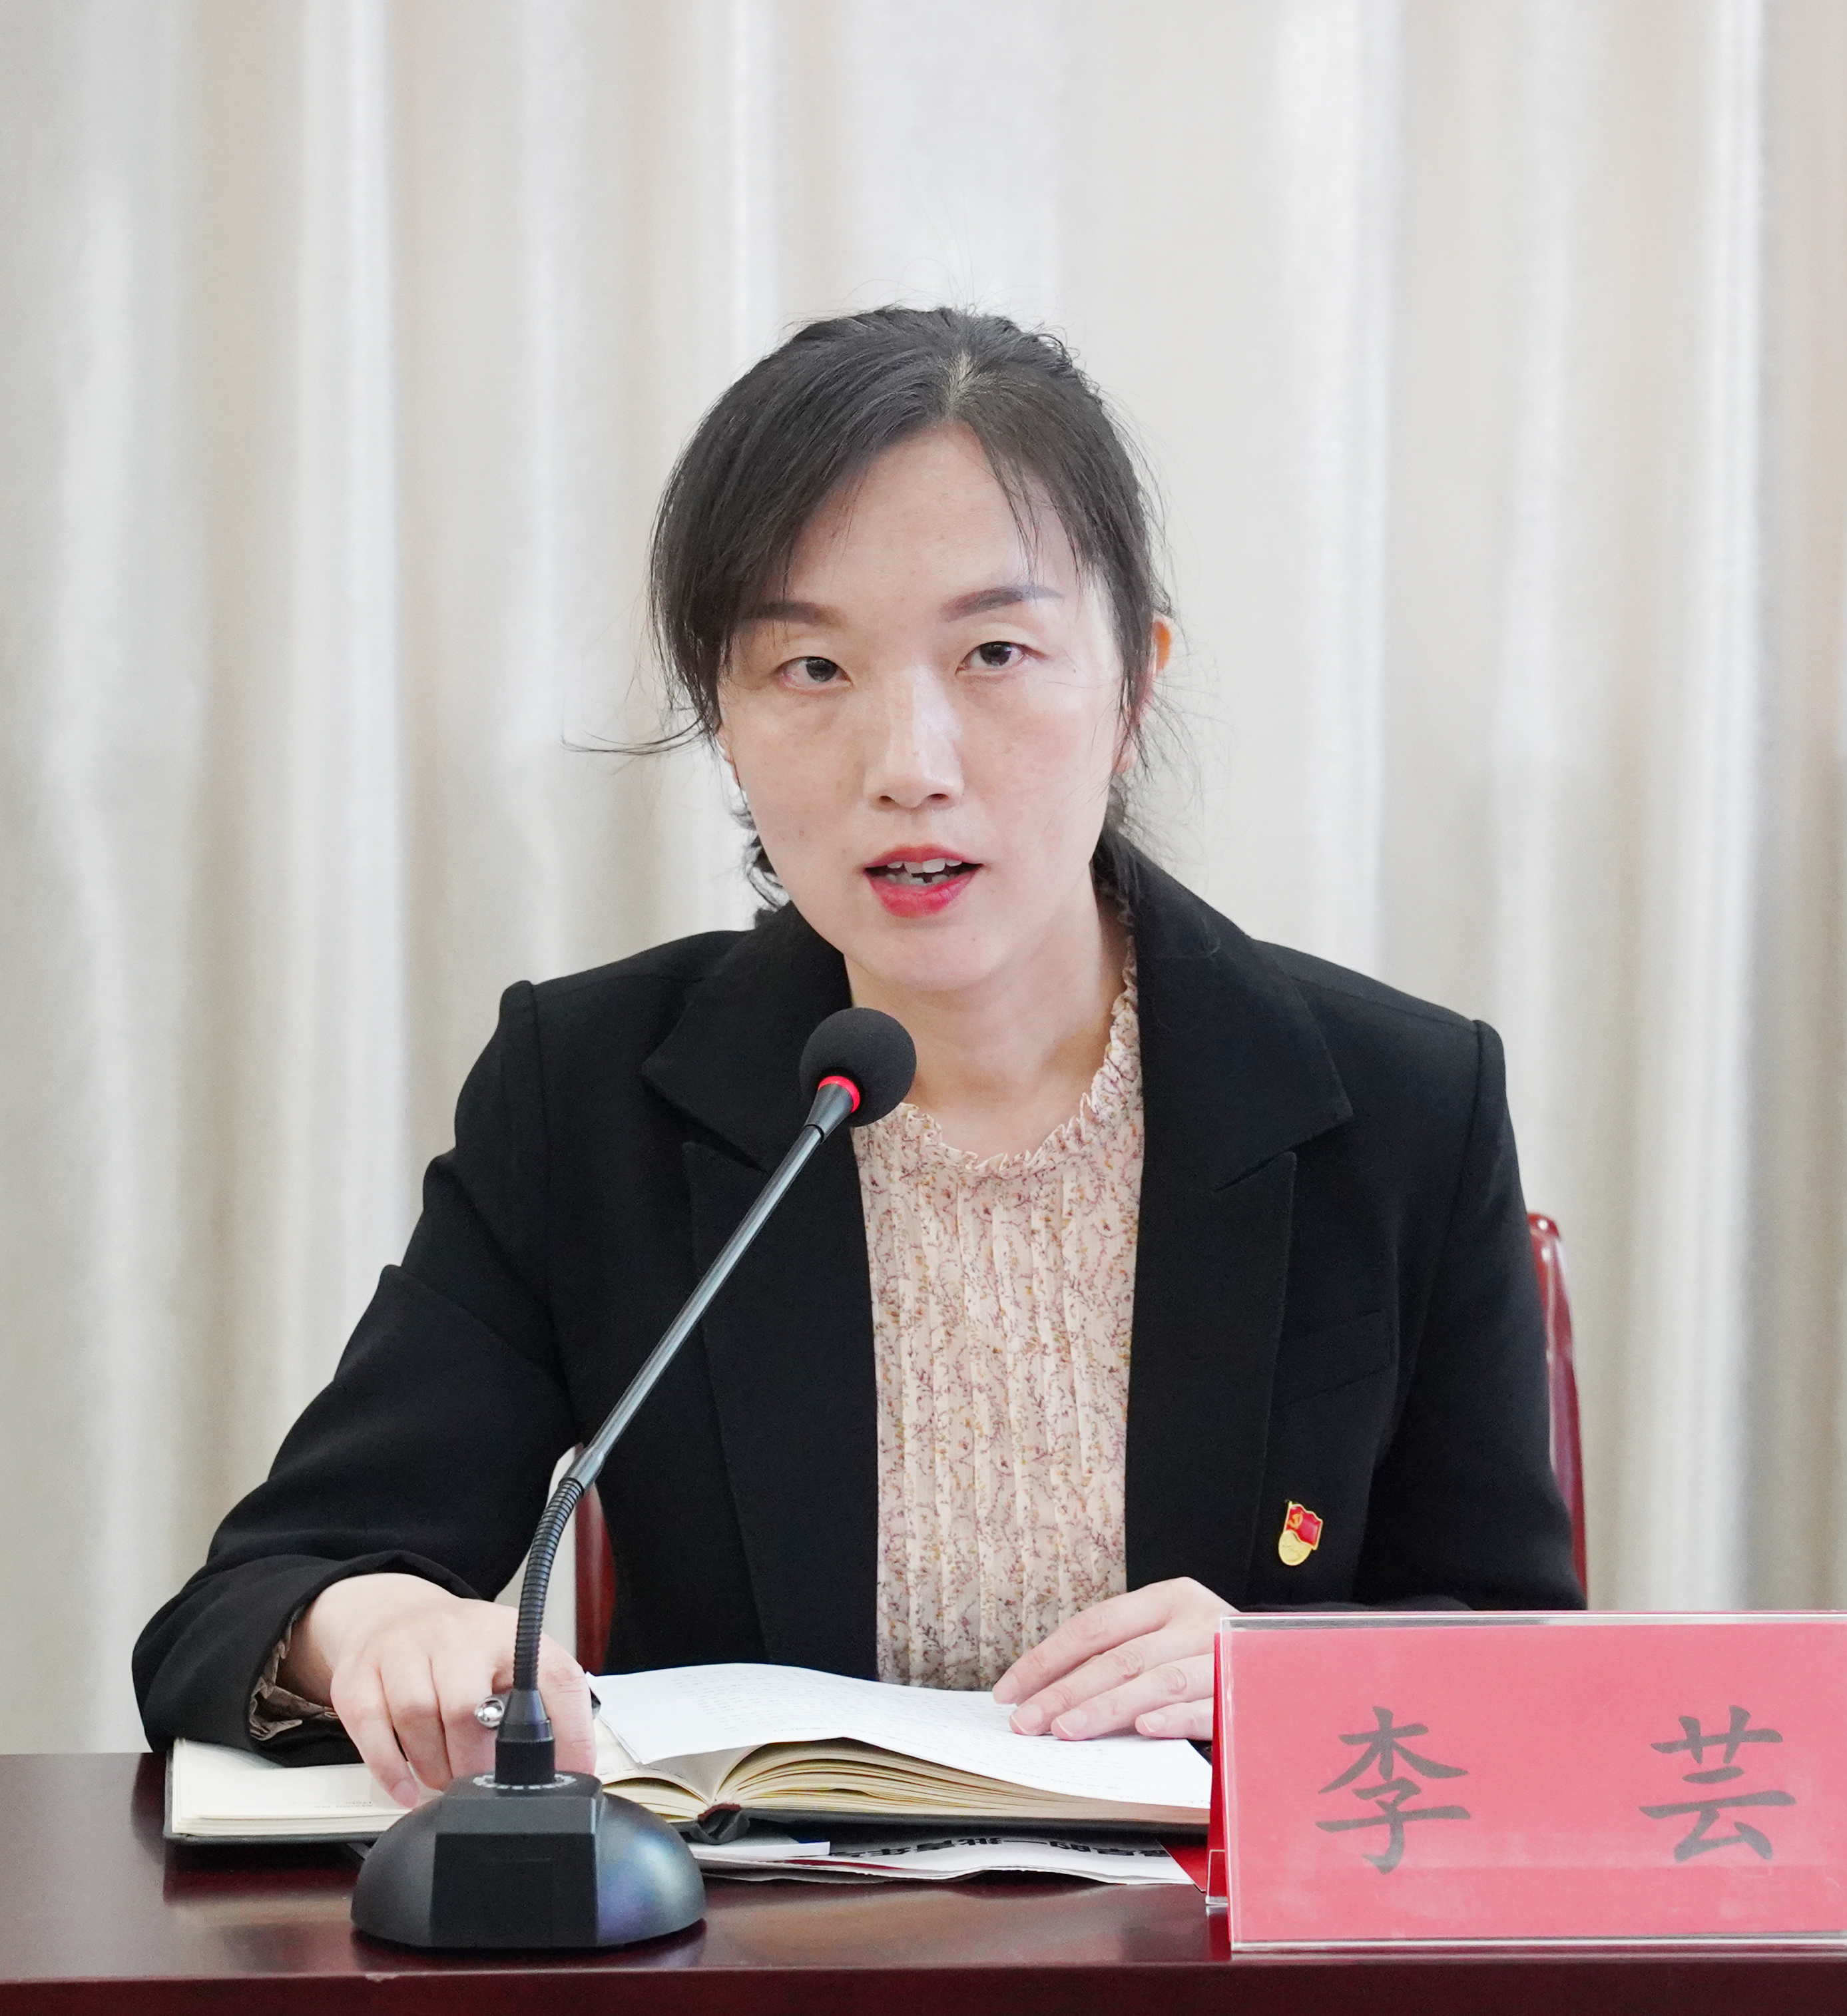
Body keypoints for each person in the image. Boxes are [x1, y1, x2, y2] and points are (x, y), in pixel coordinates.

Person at [134, 308, 1581, 1809]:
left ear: (1132, 687)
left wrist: (1293, 1678)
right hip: (760, 1929)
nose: (910, 764)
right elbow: (259, 1596)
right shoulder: (591, 1091)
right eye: (811, 667)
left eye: (996, 651)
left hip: (1204, 1928)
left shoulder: (1400, 1107)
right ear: (724, 716)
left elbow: (1528, 1661)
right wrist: (376, 1627)